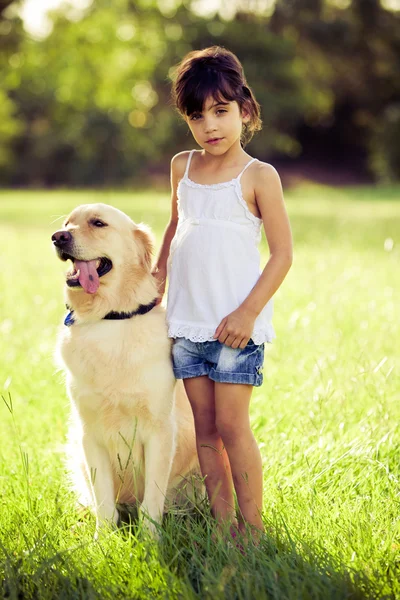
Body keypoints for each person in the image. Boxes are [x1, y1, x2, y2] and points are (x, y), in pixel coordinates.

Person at [153, 46, 293, 544]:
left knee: (234, 428)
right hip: (187, 324)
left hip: (236, 326)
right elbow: (176, 226)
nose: (210, 125)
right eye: (197, 115)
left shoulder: (259, 176)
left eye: (220, 111)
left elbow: (282, 254)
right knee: (205, 431)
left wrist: (248, 312)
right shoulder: (182, 166)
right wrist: (158, 273)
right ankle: (220, 527)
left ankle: (250, 530)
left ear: (245, 110)